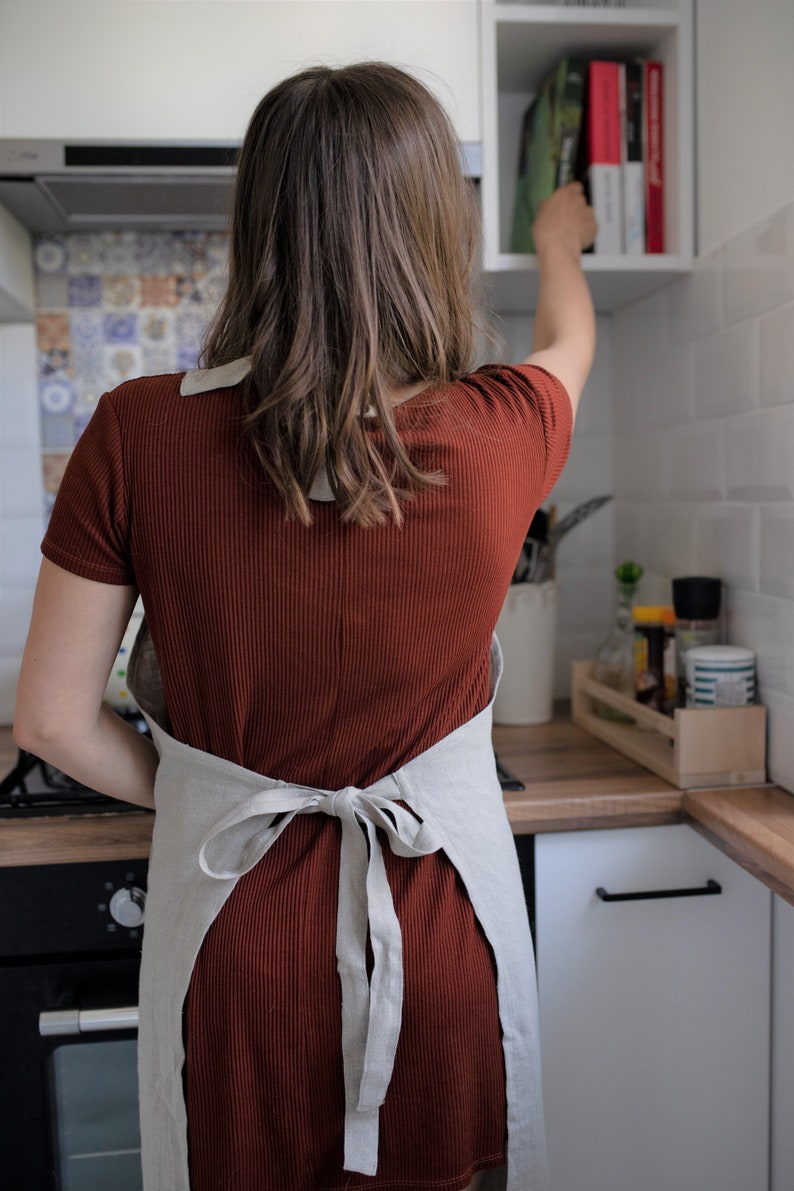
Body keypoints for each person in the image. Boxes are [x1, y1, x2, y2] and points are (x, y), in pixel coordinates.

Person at [14, 63, 596, 1191]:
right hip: (437, 942)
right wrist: (555, 240)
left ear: (258, 219)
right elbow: (568, 342)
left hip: (234, 949)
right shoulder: (505, 427)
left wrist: (211, 790)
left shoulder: (137, 433)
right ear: (434, 228)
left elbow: (47, 718)